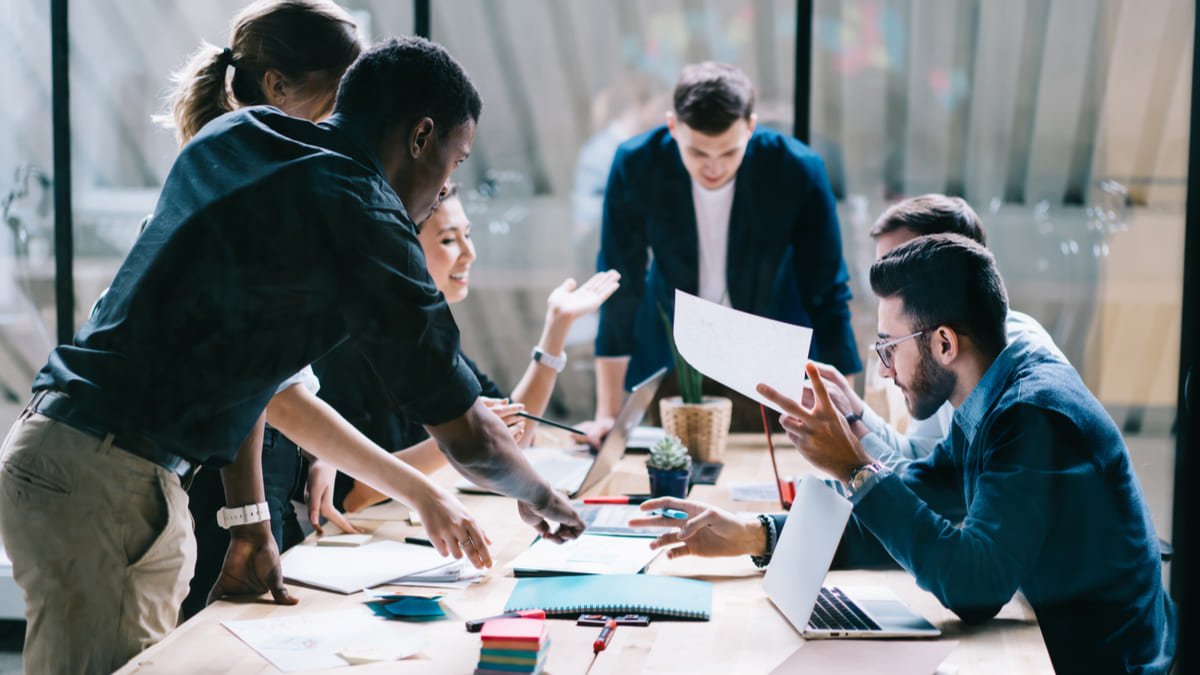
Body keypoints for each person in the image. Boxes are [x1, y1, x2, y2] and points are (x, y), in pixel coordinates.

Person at [0, 35, 583, 674]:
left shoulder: (242, 137)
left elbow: (252, 371)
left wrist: (249, 522)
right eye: (456, 159)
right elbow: (468, 436)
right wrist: (544, 498)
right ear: (421, 137)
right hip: (110, 482)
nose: (448, 186)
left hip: (59, 448)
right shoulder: (361, 212)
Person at [634, 235, 1176, 673]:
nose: (885, 371)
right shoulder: (991, 398)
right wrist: (758, 533)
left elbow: (975, 587)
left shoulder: (1031, 414)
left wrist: (853, 465)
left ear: (944, 344)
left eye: (889, 349)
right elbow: (921, 496)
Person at [586, 61, 860, 439]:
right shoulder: (636, 164)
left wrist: (846, 418)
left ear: (751, 127)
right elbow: (620, 286)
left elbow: (827, 292)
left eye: (729, 153)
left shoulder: (796, 169)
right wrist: (608, 414)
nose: (713, 167)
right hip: (673, 360)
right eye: (698, 153)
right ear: (672, 126)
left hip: (772, 360)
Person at [311, 184, 620, 513]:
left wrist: (556, 328)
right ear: (399, 250)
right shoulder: (347, 348)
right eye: (447, 239)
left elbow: (511, 434)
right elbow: (351, 495)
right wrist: (457, 440)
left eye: (467, 235)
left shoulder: (426, 337)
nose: (469, 253)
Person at [810, 194, 1067, 473]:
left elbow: (942, 506)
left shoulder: (1001, 376)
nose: (886, 286)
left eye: (900, 265)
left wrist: (851, 451)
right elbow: (923, 464)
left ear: (948, 260)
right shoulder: (942, 365)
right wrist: (852, 409)